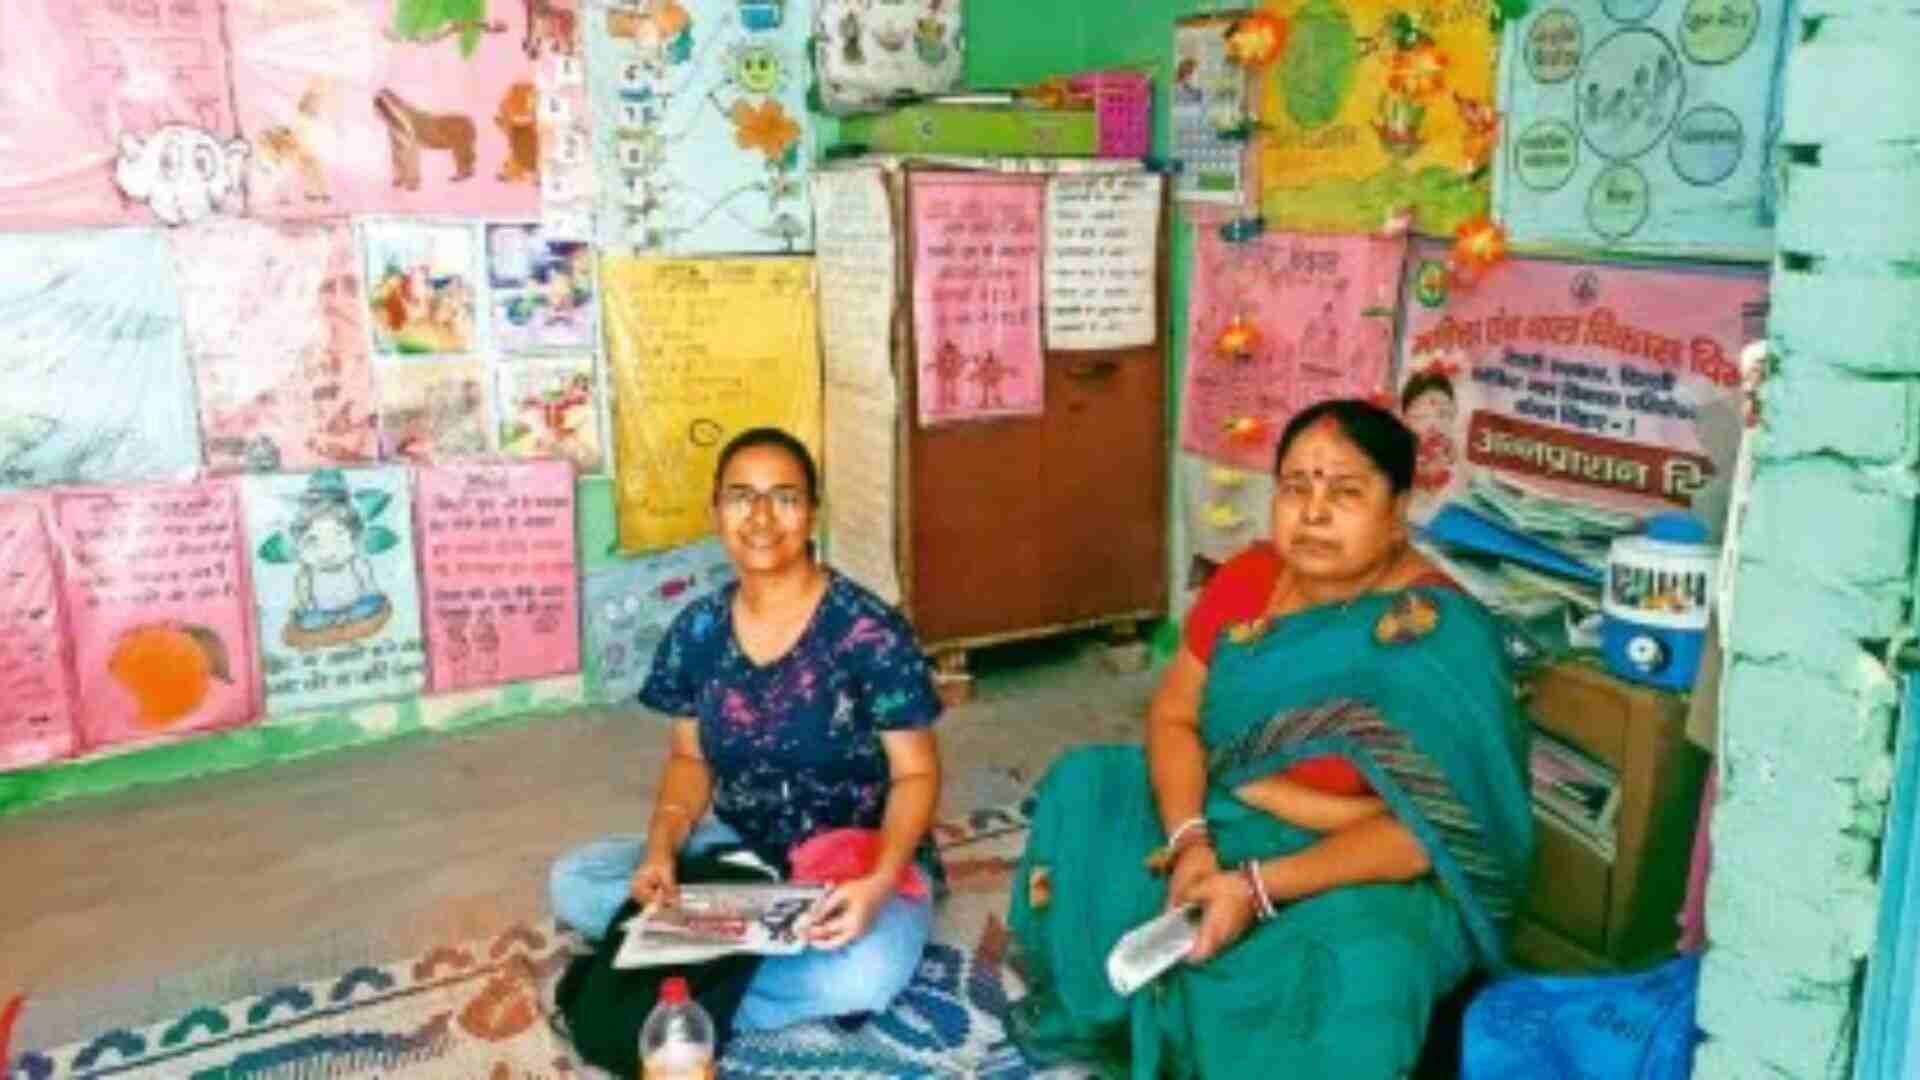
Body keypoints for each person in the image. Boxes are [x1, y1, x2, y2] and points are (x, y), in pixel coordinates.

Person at [1008, 399, 1533, 1078]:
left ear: (1399, 507)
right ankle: (1142, 1012)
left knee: (1364, 962)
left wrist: (1255, 887)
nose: (1313, 513)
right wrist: (1190, 842)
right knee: (1086, 788)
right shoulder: (1248, 580)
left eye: (1346, 492)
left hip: (1355, 862)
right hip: (1219, 813)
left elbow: (1428, 835)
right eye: (1295, 487)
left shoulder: (1439, 634)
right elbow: (1173, 718)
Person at [548, 427, 944, 1033]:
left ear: (812, 512)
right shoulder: (698, 631)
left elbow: (915, 773)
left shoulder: (870, 632)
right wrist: (661, 848)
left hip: (854, 861)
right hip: (743, 852)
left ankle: (678, 973)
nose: (760, 517)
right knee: (574, 881)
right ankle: (722, 960)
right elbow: (690, 760)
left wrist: (881, 880)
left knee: (864, 973)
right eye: (740, 496)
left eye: (784, 497)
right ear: (716, 510)